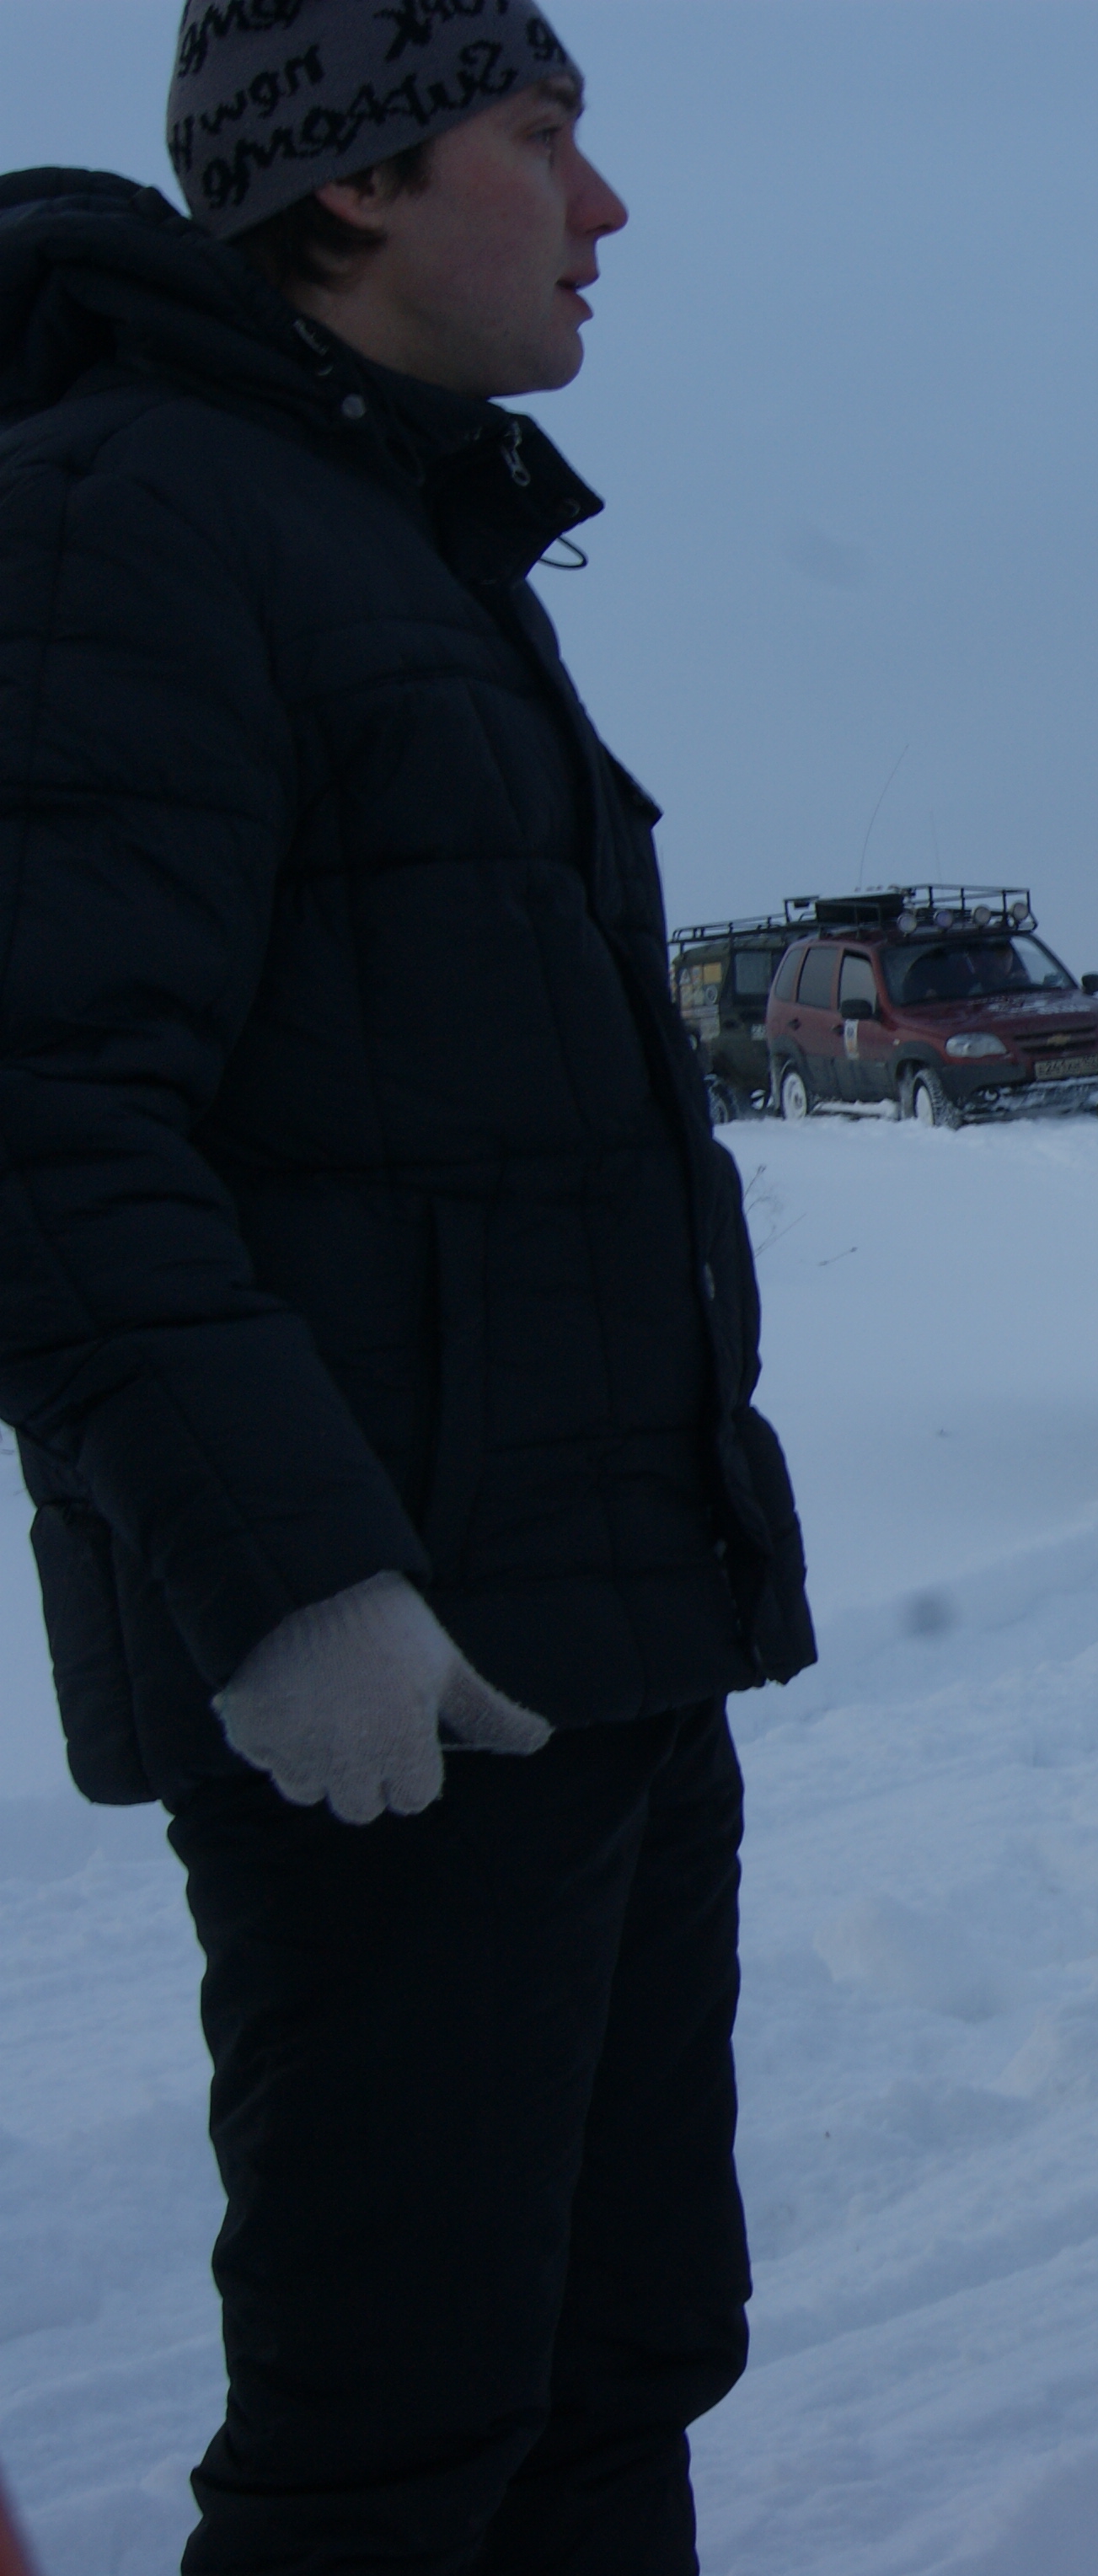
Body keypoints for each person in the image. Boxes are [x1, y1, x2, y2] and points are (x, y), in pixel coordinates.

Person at [0, 7, 813, 2565]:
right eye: (540, 136)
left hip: (594, 1631)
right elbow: (40, 1107)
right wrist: (294, 1579)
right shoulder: (121, 520)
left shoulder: (395, 536)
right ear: (347, 182)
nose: (605, 206)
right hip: (395, 1683)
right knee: (396, 2440)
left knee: (620, 2357)